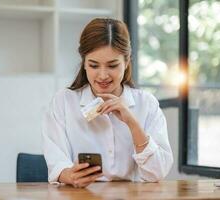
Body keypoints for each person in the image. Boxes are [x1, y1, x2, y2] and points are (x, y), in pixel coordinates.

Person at [42, 18, 173, 188]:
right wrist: (69, 175)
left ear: (126, 62)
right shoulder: (63, 102)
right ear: (84, 64)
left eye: (112, 65)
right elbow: (56, 162)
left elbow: (157, 173)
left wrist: (132, 122)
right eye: (94, 65)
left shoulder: (147, 104)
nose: (103, 76)